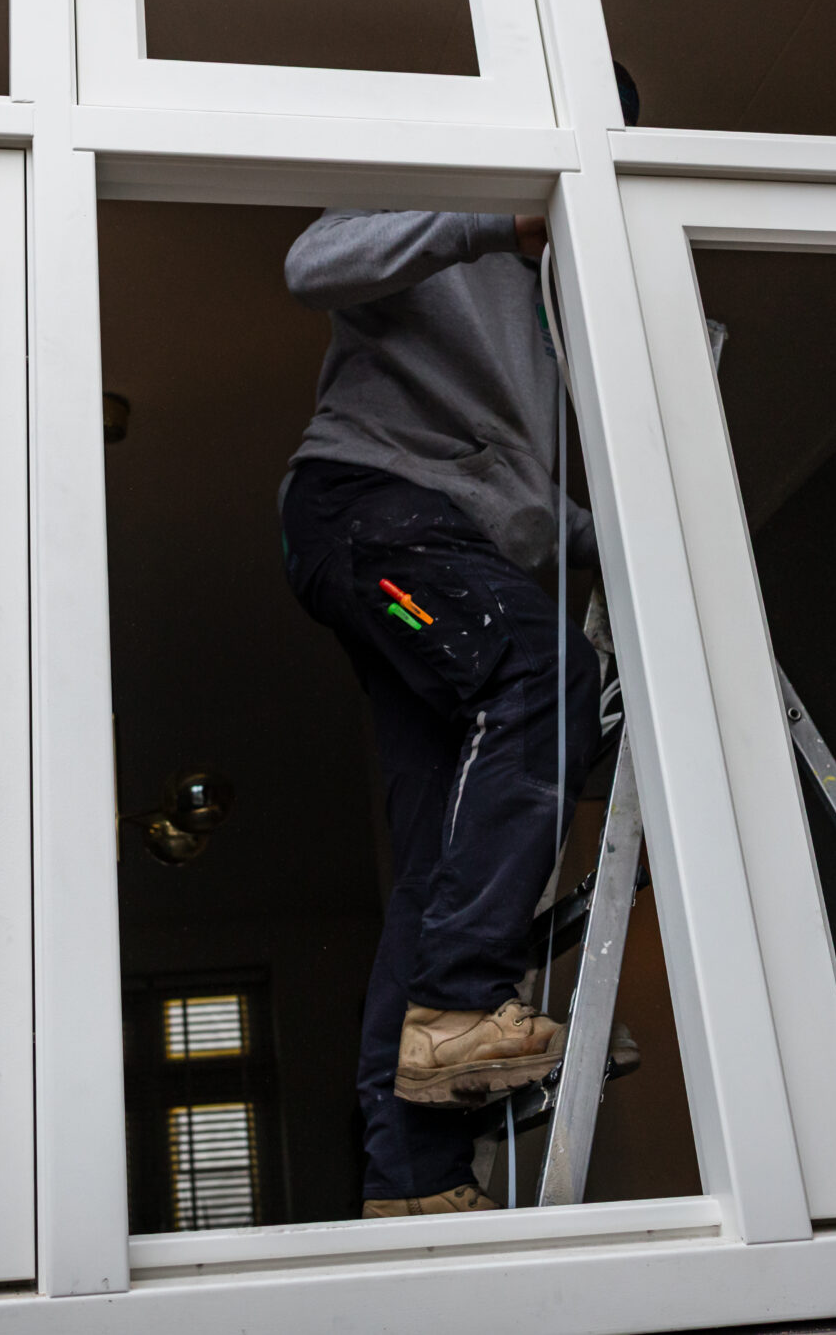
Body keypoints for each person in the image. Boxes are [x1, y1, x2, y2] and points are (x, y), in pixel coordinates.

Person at [277, 193, 605, 1220]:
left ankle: (413, 1183)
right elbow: (311, 263)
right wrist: (492, 221)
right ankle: (461, 1002)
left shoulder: (554, 309)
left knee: (434, 859)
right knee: (543, 673)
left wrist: (625, 532)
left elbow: (518, 501)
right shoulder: (448, 197)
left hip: (439, 539)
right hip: (370, 513)